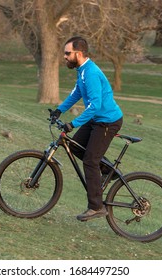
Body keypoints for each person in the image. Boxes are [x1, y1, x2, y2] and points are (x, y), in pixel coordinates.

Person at [50, 36, 123, 222]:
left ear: (79, 53)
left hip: (107, 121)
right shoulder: (82, 71)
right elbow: (76, 93)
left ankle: (96, 207)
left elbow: (95, 106)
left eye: (67, 53)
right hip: (96, 119)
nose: (64, 57)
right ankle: (108, 169)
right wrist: (60, 110)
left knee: (90, 160)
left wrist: (72, 124)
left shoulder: (90, 73)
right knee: (74, 145)